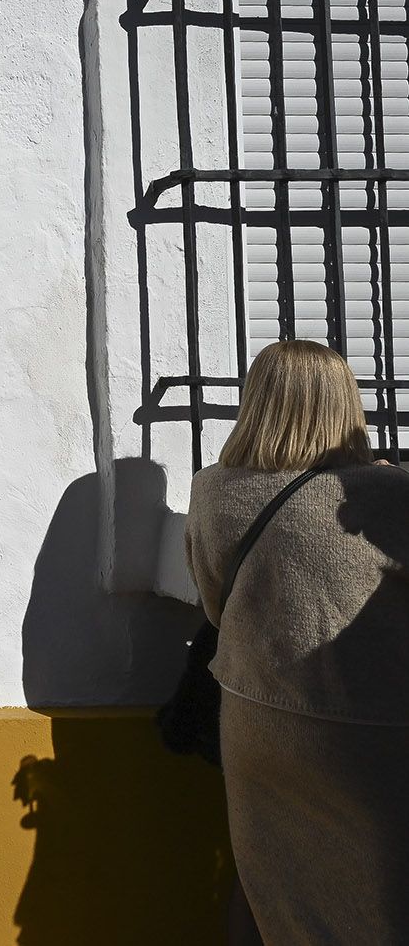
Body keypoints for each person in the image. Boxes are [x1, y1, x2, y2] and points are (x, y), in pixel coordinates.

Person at [185, 339, 409, 944]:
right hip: (368, 731)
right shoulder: (383, 495)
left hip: (257, 721)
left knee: (284, 897)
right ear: (345, 407)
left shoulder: (211, 491)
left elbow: (213, 604)